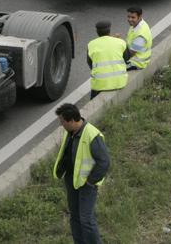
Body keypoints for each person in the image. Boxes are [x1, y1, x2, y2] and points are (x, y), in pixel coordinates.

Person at [53, 103, 110, 244]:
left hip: (86, 184)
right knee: (75, 216)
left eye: (62, 122)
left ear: (72, 121)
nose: (61, 125)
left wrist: (91, 181)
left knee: (86, 219)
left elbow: (104, 162)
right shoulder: (71, 132)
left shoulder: (92, 134)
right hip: (72, 181)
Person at [87, 21, 128, 99]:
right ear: (109, 31)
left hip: (99, 85)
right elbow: (126, 58)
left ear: (97, 32)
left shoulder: (91, 44)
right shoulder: (121, 42)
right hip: (119, 82)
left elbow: (90, 63)